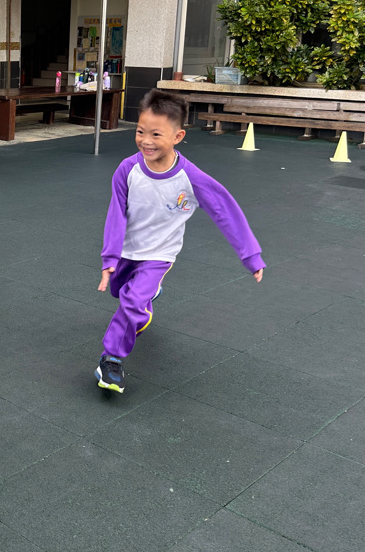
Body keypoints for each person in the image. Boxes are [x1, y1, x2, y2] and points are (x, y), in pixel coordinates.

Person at [95, 89, 265, 393]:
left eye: (156, 134)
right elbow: (116, 214)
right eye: (140, 131)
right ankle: (146, 298)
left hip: (160, 254)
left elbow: (225, 210)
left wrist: (250, 255)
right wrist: (110, 257)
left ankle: (111, 359)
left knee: (133, 302)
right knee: (122, 293)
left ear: (178, 136)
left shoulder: (190, 177)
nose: (146, 141)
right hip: (128, 250)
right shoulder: (127, 170)